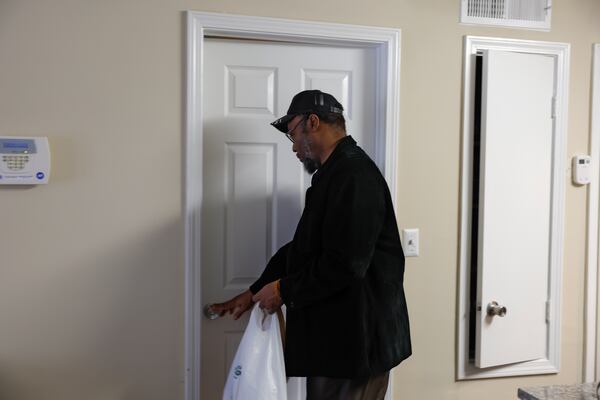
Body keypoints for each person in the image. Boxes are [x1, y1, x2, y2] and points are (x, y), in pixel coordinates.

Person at [212, 90, 411, 400]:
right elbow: (305, 248)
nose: (293, 147)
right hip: (340, 344)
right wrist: (255, 291)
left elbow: (346, 263)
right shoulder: (333, 174)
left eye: (292, 134)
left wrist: (283, 290)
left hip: (356, 348)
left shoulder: (354, 175)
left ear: (313, 122)